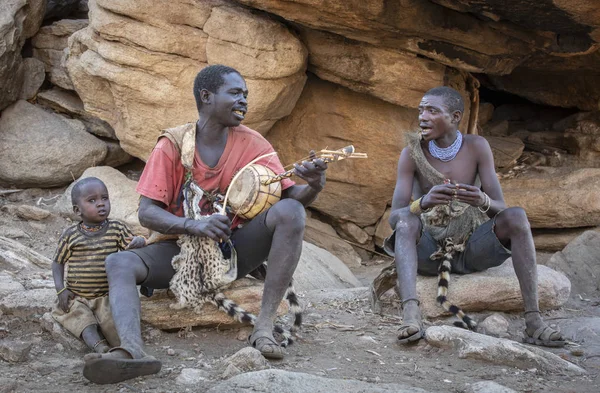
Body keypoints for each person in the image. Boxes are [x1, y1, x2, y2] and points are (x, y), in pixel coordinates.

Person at [82, 64, 328, 384]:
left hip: (233, 252)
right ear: (206, 96)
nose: (244, 101)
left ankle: (264, 329)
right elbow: (147, 213)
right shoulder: (172, 144)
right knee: (119, 262)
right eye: (235, 93)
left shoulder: (253, 144)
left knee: (292, 211)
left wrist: (315, 185)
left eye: (246, 95)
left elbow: (289, 196)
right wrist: (193, 226)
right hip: (178, 255)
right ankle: (132, 352)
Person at [385, 86, 566, 347]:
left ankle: (534, 322)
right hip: (429, 253)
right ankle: (411, 314)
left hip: (473, 248)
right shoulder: (412, 154)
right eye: (421, 110)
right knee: (406, 221)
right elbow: (395, 218)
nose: (422, 116)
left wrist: (482, 200)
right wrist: (424, 202)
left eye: (432, 110)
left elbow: (501, 209)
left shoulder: (477, 146)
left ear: (455, 116)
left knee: (517, 217)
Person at [51, 177, 146, 354]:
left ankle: (124, 352)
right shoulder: (70, 235)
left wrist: (139, 241)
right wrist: (60, 290)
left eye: (104, 198)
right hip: (78, 297)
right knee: (84, 324)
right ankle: (100, 349)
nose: (101, 204)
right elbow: (57, 262)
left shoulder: (117, 228)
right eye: (92, 200)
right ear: (77, 210)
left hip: (106, 297)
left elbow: (130, 247)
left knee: (117, 326)